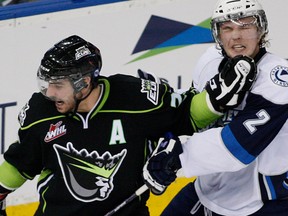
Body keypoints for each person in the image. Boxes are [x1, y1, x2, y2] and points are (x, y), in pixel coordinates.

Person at [0, 35, 256, 216]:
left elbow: (187, 115)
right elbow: (20, 164)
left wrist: (214, 101)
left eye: (58, 85)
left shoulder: (135, 98)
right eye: (46, 84)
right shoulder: (40, 112)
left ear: (84, 82)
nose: (49, 92)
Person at [143, 0, 288, 215]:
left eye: (245, 26)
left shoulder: (278, 78)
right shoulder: (209, 63)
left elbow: (238, 148)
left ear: (261, 30)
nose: (236, 36)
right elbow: (193, 115)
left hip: (264, 201)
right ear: (217, 34)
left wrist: (178, 156)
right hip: (210, 188)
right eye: (227, 28)